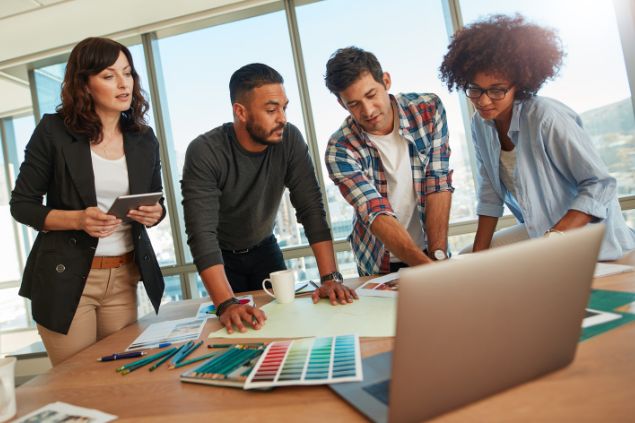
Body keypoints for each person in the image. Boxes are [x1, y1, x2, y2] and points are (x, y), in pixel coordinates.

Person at [10, 37, 166, 365]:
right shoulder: (53, 131)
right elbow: (22, 204)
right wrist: (78, 220)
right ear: (85, 84)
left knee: (120, 379)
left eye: (128, 73)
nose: (124, 84)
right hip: (66, 277)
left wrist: (156, 212)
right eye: (109, 76)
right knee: (77, 384)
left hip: (124, 276)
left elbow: (156, 200)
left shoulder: (143, 138)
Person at [438, 14, 635, 259]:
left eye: (497, 90)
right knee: (467, 260)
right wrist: (478, 257)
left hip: (591, 238)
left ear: (519, 84)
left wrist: (556, 236)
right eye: (475, 89)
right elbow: (490, 194)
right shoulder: (481, 124)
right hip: (541, 234)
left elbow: (600, 184)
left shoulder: (546, 117)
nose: (484, 101)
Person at [181, 63, 356, 334]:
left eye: (284, 108)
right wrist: (226, 303)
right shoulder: (205, 152)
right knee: (237, 331)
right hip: (221, 259)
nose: (283, 118)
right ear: (240, 112)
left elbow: (311, 208)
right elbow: (201, 234)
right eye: (272, 110)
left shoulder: (290, 140)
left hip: (265, 249)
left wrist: (330, 278)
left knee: (284, 324)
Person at [324, 47, 454, 276]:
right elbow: (375, 211)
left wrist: (436, 259)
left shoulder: (428, 110)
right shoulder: (340, 148)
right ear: (341, 104)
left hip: (432, 251)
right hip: (379, 264)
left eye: (371, 95)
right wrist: (427, 270)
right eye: (353, 104)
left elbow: (438, 182)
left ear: (386, 80)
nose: (368, 110)